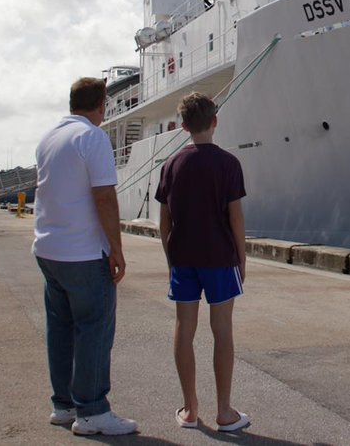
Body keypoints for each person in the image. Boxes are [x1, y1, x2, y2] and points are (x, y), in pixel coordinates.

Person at [31, 77, 137, 436]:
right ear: (102, 105)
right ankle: (92, 411)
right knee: (94, 329)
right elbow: (104, 196)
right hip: (84, 252)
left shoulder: (48, 138)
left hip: (49, 248)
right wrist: (116, 248)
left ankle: (64, 406)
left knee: (60, 329)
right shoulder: (92, 137)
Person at [155, 92, 250, 432]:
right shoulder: (228, 164)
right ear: (215, 121)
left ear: (183, 127)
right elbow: (235, 217)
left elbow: (164, 222)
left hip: (183, 259)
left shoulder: (171, 165)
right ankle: (224, 411)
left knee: (184, 329)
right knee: (222, 330)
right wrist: (241, 258)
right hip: (220, 258)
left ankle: (190, 409)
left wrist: (171, 260)